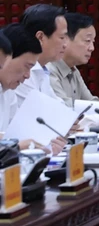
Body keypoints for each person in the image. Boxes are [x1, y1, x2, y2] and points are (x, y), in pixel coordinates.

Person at [0, 25, 64, 153]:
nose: (27, 75)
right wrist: (17, 145)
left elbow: (12, 134)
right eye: (27, 66)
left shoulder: (8, 92)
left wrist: (44, 142)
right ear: (8, 58)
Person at [13, 4, 69, 102]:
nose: (65, 45)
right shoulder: (21, 72)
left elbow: (58, 105)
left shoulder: (42, 68)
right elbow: (42, 112)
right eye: (62, 38)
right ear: (40, 37)